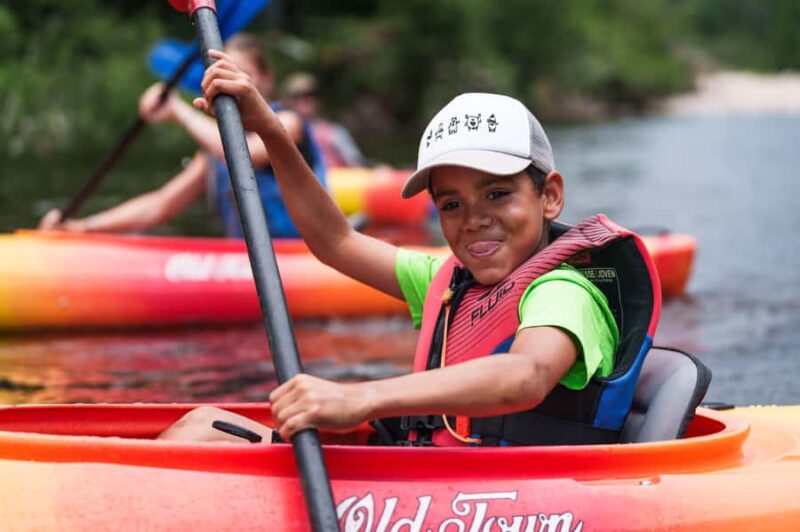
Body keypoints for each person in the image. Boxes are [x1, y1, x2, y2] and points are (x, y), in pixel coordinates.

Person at [160, 49, 659, 447]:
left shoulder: (563, 291)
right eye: (451, 204)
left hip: (501, 495)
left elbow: (525, 375)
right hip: (428, 473)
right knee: (201, 424)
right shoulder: (444, 283)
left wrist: (361, 398)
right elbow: (335, 241)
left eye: (497, 194)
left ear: (549, 196)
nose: (475, 218)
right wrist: (269, 128)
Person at [38, 35, 327, 239]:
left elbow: (244, 154)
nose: (231, 83)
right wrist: (82, 227)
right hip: (247, 263)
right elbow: (160, 205)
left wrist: (177, 109)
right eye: (223, 74)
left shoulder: (288, 123)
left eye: (244, 73)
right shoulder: (214, 151)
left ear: (267, 78)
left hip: (305, 255)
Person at [282, 72, 366, 168]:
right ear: (287, 101)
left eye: (309, 95)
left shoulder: (334, 132)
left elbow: (356, 163)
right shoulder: (281, 134)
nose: (303, 101)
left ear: (317, 100)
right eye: (297, 97)